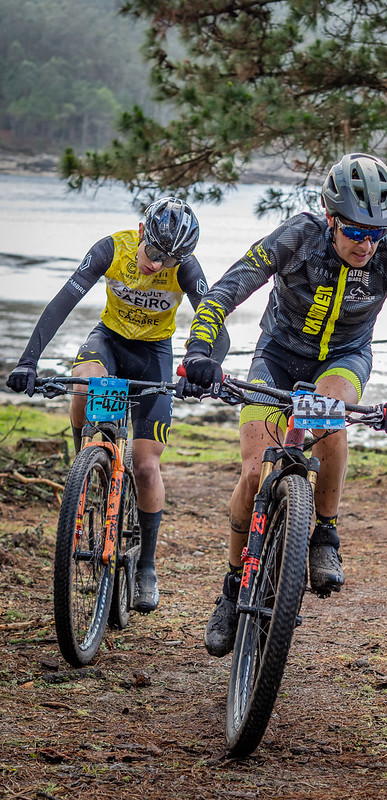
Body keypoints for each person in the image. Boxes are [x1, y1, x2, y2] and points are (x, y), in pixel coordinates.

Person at [181, 152, 387, 657]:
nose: (368, 243)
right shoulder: (296, 236)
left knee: (329, 409)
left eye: (378, 233)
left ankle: (324, 533)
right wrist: (199, 352)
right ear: (331, 217)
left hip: (344, 358)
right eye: (357, 232)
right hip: (277, 355)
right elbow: (222, 294)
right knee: (255, 475)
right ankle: (233, 588)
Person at [6, 196, 229, 613]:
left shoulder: (185, 267)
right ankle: (85, 465)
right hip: (107, 342)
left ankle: (146, 566)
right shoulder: (113, 248)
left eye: (170, 259)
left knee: (145, 466)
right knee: (85, 386)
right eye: (155, 252)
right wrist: (28, 360)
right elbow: (61, 303)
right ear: (142, 232)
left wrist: (207, 366)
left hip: (155, 355)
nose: (158, 265)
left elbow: (217, 325)